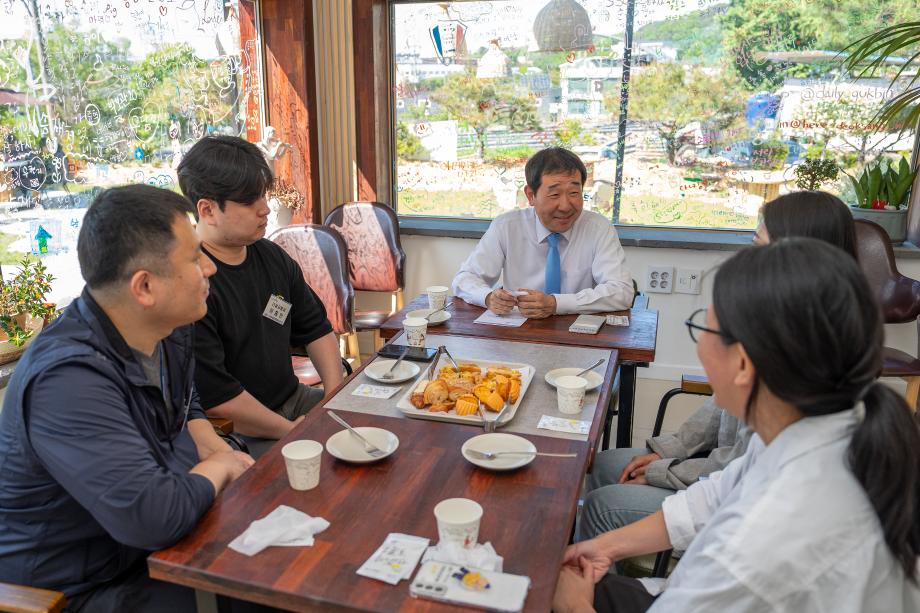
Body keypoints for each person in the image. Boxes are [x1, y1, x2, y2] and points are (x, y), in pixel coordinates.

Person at [554, 238, 920, 613]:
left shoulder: (752, 547)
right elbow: (712, 497)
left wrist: (576, 606)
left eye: (705, 331)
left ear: (743, 364)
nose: (700, 348)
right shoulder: (819, 422)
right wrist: (604, 546)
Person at [0, 185, 255, 611]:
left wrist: (219, 450)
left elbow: (183, 402)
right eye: (194, 257)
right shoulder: (67, 380)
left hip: (146, 547)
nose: (209, 268)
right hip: (74, 588)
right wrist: (218, 465)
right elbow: (151, 518)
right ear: (145, 287)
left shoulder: (167, 328)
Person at [577, 191, 859, 544]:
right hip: (718, 475)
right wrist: (669, 451)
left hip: (732, 501)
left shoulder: (802, 354)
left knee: (603, 505)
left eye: (759, 246)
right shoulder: (782, 319)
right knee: (606, 465)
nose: (747, 258)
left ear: (795, 255)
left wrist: (666, 470)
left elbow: (734, 472)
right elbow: (722, 416)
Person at [177, 135, 344, 456]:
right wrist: (293, 430)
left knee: (372, 424)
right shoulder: (191, 282)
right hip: (238, 429)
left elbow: (316, 328)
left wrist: (333, 398)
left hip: (293, 399)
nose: (265, 209)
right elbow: (218, 398)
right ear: (208, 210)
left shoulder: (271, 257)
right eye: (250, 201)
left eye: (263, 196)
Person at [451, 147, 633, 318]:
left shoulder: (598, 228)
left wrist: (556, 304)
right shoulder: (507, 227)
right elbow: (464, 279)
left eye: (574, 193)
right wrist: (488, 297)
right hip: (519, 332)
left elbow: (622, 291)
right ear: (531, 195)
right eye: (554, 195)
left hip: (578, 332)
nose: (565, 206)